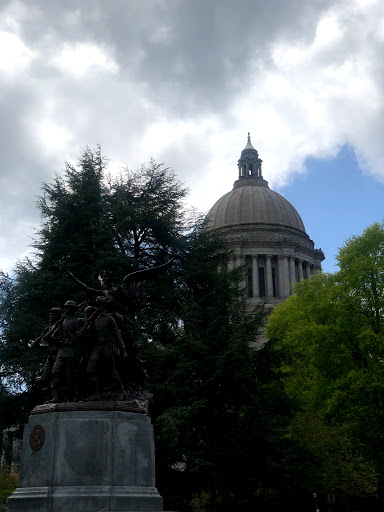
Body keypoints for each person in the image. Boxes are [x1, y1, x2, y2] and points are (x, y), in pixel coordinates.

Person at [86, 296, 128, 401]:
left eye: (99, 305)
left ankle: (122, 391)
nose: (97, 307)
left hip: (107, 345)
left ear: (104, 306)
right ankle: (95, 393)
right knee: (90, 370)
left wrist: (122, 349)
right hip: (98, 346)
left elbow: (117, 334)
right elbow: (88, 334)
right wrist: (89, 321)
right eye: (96, 305)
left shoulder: (109, 318)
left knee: (111, 370)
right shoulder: (94, 320)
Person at [49, 300, 84, 403]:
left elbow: (81, 337)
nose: (66, 309)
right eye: (65, 307)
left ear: (73, 309)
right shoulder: (62, 321)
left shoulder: (76, 321)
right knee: (55, 372)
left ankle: (79, 395)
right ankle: (57, 396)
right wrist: (59, 340)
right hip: (62, 350)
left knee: (75, 374)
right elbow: (53, 336)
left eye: (68, 307)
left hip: (73, 350)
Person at [30, 307, 63, 394]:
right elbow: (36, 345)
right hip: (50, 355)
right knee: (44, 377)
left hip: (59, 354)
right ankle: (49, 396)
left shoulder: (61, 326)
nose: (50, 316)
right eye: (50, 314)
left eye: (52, 314)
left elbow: (62, 340)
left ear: (57, 315)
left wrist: (50, 339)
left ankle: (59, 396)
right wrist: (43, 335)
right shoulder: (50, 328)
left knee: (57, 375)